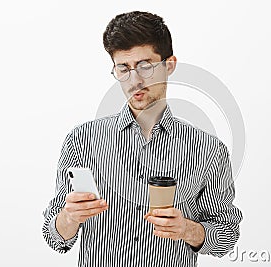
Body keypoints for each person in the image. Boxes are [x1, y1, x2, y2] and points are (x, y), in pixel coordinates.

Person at [42, 11, 242, 267]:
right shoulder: (82, 140)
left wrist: (187, 230)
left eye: (145, 66)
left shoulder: (210, 150)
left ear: (169, 65)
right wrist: (69, 218)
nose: (134, 81)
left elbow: (227, 235)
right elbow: (53, 236)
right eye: (123, 69)